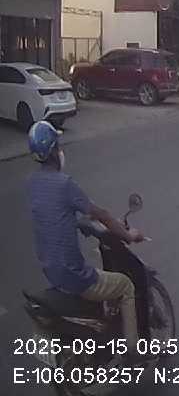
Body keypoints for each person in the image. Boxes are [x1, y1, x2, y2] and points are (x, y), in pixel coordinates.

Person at [25, 122, 146, 358]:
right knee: (126, 286)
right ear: (54, 151)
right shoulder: (64, 184)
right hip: (75, 276)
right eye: (58, 146)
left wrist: (79, 222)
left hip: (51, 272)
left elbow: (52, 213)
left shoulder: (32, 183)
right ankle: (133, 352)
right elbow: (101, 214)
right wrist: (128, 235)